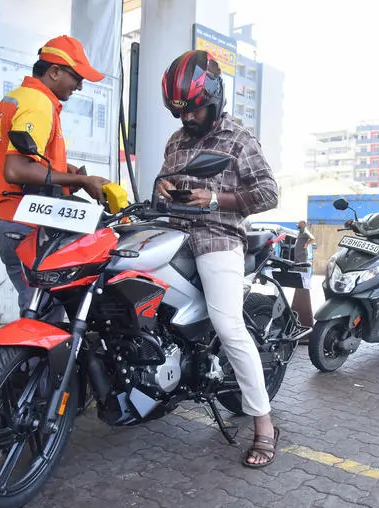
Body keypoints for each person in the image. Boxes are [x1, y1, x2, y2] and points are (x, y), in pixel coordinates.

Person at [155, 50, 280, 468]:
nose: (187, 119)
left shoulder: (238, 138)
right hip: (171, 234)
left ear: (214, 97)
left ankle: (264, 425)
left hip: (218, 237)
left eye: (194, 109)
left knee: (228, 325)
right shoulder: (176, 141)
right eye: (180, 112)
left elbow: (268, 193)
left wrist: (215, 199)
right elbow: (163, 182)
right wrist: (164, 191)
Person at [0, 35, 109, 316]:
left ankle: (19, 362)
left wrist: (68, 171)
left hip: (13, 220)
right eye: (76, 78)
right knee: (45, 321)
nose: (79, 86)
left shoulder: (20, 97)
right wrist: (81, 181)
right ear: (54, 71)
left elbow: (32, 159)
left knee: (39, 310)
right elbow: (17, 169)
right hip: (27, 222)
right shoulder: (38, 103)